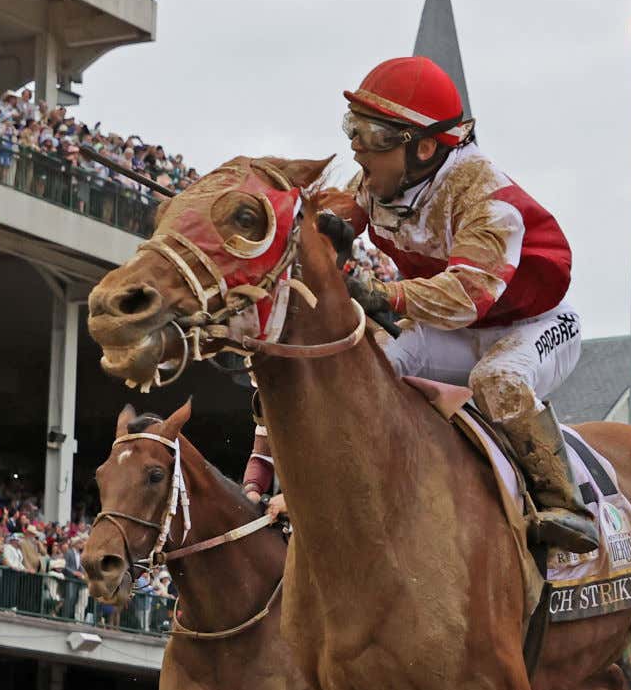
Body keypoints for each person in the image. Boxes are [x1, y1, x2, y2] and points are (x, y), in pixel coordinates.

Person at [241, 55, 597, 555]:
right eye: (354, 129)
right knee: (359, 359)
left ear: (425, 147)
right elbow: (332, 215)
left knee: (496, 380)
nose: (357, 149)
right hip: (452, 326)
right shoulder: (384, 179)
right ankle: (281, 470)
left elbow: (467, 295)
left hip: (532, 327)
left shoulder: (489, 201)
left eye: (373, 136)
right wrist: (286, 224)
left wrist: (383, 293)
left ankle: (567, 505)